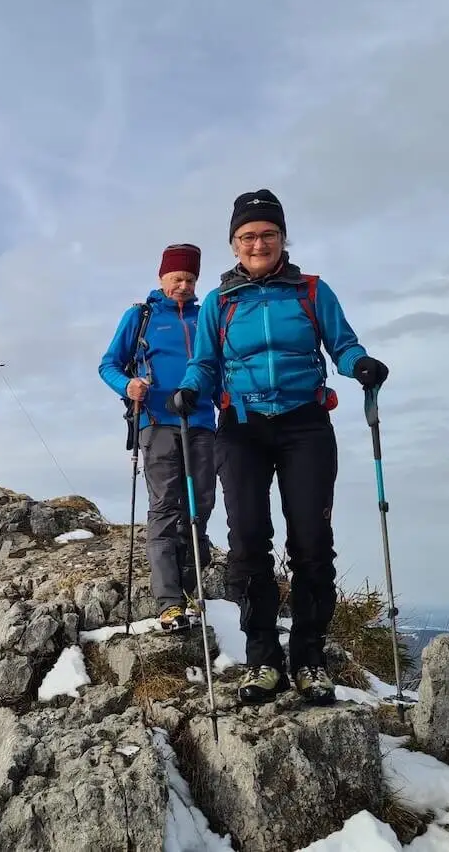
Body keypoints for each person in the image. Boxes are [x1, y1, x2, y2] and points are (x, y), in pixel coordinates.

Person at [167, 189, 389, 705]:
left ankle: (309, 659)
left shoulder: (312, 291)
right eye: (247, 236)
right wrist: (191, 387)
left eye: (267, 233)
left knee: (311, 541)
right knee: (248, 541)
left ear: (283, 238)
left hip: (305, 425)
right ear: (234, 244)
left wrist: (360, 364)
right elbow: (204, 362)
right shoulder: (220, 303)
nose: (258, 243)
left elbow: (343, 343)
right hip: (241, 428)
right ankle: (262, 660)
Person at [99, 243, 217, 633]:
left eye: (189, 279)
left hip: (202, 422)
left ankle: (190, 592)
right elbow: (108, 364)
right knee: (165, 506)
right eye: (176, 278)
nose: (182, 285)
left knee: (200, 506)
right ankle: (169, 603)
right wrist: (128, 385)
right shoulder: (142, 316)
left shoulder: (206, 317)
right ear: (162, 278)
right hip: (157, 420)